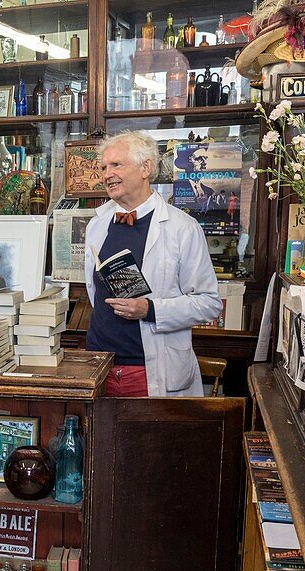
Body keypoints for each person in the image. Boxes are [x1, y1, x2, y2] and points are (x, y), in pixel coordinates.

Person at [84, 131, 221, 397]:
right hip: (98, 367)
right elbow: (93, 292)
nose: (107, 174)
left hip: (150, 370)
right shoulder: (97, 224)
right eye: (103, 167)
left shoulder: (182, 228)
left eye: (116, 165)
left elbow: (209, 303)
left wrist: (149, 309)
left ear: (146, 167)